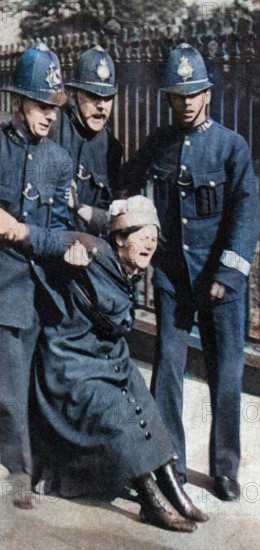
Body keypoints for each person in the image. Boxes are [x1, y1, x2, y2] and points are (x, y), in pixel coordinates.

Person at [119, 43, 259, 501]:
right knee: (168, 369)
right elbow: (126, 183)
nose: (185, 103)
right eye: (177, 96)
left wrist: (228, 276)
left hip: (219, 283)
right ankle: (170, 459)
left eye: (193, 93)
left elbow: (246, 215)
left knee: (225, 375)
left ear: (208, 94)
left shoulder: (231, 147)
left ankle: (224, 468)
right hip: (174, 278)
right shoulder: (159, 142)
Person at [29, 195, 208, 532]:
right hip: (72, 361)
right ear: (120, 238)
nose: (150, 244)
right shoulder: (92, 248)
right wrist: (64, 252)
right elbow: (42, 240)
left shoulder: (128, 268)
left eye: (153, 238)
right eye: (142, 236)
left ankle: (173, 488)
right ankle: (150, 498)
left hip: (107, 357)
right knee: (117, 413)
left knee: (143, 401)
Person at [0, 43, 84, 509]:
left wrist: (23, 230)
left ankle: (40, 466)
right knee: (10, 388)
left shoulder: (57, 160)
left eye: (53, 107)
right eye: (40, 106)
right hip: (4, 286)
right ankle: (18, 475)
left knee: (39, 386)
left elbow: (57, 231)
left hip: (42, 290)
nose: (49, 116)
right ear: (18, 103)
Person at [50, 45, 123, 236]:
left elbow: (109, 213)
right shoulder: (53, 125)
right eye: (92, 96)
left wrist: (82, 209)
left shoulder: (111, 149)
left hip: (88, 245)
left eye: (107, 98)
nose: (101, 105)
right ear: (75, 94)